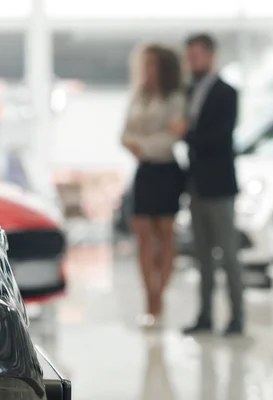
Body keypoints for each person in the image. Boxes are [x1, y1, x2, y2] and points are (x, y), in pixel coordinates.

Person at [179, 33, 243, 336]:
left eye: (197, 56)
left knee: (228, 255)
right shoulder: (188, 91)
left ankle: (237, 319)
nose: (192, 61)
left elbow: (219, 138)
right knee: (202, 255)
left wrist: (185, 133)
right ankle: (205, 316)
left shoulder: (227, 92)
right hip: (196, 184)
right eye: (189, 56)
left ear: (210, 55)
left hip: (220, 186)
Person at [121, 43, 186, 327]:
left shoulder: (176, 97)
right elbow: (125, 134)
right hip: (145, 172)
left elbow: (170, 140)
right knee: (143, 234)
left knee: (165, 233)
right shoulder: (140, 96)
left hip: (167, 170)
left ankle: (160, 295)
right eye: (144, 64)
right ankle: (150, 299)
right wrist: (147, 141)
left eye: (151, 65)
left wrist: (141, 143)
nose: (146, 70)